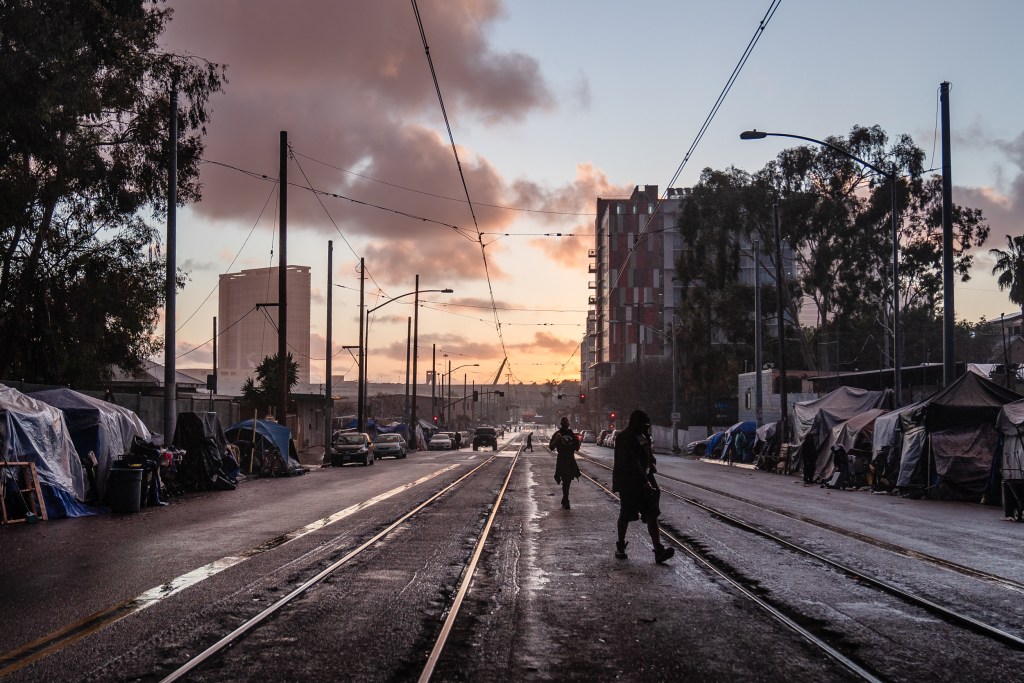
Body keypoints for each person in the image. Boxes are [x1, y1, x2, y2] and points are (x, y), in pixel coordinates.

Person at [612, 409, 674, 564]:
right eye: (643, 425)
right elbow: (631, 461)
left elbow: (647, 454)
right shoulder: (624, 438)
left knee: (652, 513)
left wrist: (652, 462)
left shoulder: (644, 436)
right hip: (629, 482)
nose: (645, 428)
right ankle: (620, 545)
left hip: (646, 478)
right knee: (626, 513)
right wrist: (643, 481)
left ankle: (658, 549)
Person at [548, 417, 581, 509]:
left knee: (567, 480)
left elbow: (577, 448)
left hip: (569, 460)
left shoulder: (572, 434)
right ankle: (566, 500)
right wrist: (557, 439)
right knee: (566, 480)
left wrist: (576, 439)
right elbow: (551, 447)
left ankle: (565, 499)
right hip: (563, 459)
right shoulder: (558, 434)